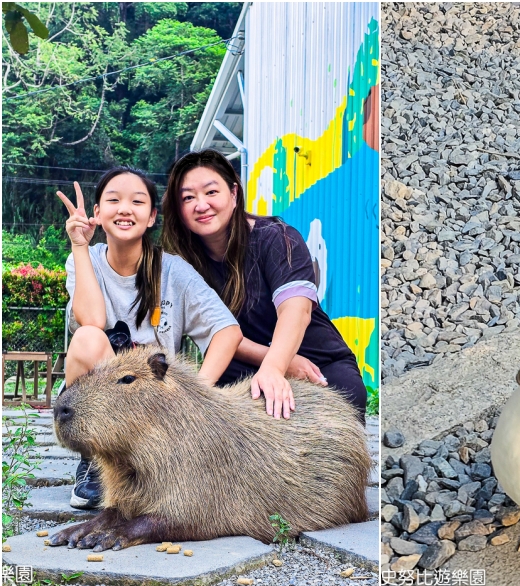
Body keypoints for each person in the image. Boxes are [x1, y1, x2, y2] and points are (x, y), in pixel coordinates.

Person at [61, 167, 243, 509]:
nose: (125, 209)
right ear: (97, 213)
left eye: (137, 201)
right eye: (113, 200)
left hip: (152, 405)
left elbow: (228, 330)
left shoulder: (174, 271)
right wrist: (80, 246)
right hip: (98, 394)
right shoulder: (84, 259)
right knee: (88, 338)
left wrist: (195, 394)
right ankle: (93, 459)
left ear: (152, 216)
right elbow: (92, 321)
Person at [160, 150, 367, 419]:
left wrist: (275, 367)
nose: (201, 205)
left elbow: (297, 311)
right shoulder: (181, 264)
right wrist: (275, 364)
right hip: (243, 365)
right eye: (188, 198)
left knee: (346, 398)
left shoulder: (277, 239)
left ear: (234, 194)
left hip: (317, 360)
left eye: (211, 192)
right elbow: (215, 333)